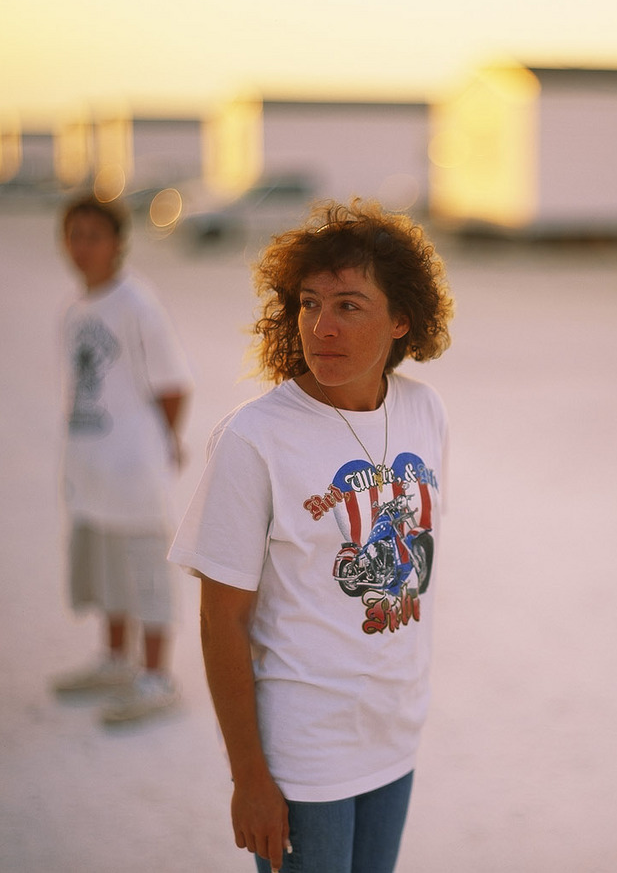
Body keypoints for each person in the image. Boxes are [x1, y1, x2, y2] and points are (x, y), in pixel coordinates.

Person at [169, 198, 453, 873]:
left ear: (402, 318)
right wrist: (250, 778)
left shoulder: (424, 410)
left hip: (393, 733)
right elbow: (222, 620)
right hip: (304, 751)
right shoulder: (254, 439)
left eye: (349, 305)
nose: (322, 326)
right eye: (309, 303)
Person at [50, 193, 193, 725]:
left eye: (94, 235)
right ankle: (115, 660)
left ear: (118, 243)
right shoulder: (74, 307)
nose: (83, 246)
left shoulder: (137, 304)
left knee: (145, 570)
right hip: (90, 464)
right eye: (74, 234)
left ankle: (156, 676)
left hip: (133, 466)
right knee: (105, 565)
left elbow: (174, 382)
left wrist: (166, 442)